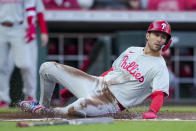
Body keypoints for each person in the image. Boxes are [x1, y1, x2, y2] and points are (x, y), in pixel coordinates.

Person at [20, 20, 172, 119]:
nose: (159, 39)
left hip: (110, 103)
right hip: (96, 83)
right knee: (47, 68)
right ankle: (43, 105)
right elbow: (112, 73)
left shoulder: (159, 66)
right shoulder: (131, 50)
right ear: (148, 35)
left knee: (77, 108)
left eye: (163, 37)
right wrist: (72, 88)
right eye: (157, 35)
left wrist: (152, 111)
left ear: (166, 42)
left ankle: (42, 111)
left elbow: (159, 94)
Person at [7, 0, 49, 102]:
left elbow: (39, 13)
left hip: (28, 35)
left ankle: (30, 97)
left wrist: (43, 31)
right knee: (5, 66)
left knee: (30, 68)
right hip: (9, 32)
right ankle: (2, 98)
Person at [0, 0, 37, 108]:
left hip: (19, 27)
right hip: (1, 27)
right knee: (1, 66)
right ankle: (3, 99)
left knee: (25, 64)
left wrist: (31, 26)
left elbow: (30, 7)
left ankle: (30, 96)